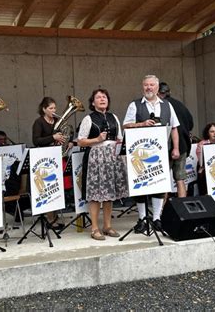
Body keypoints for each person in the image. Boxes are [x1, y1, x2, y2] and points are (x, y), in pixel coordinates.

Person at [123, 75, 180, 233]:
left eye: (152, 85)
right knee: (141, 185)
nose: (148, 88)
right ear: (143, 87)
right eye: (146, 85)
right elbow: (126, 126)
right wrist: (142, 124)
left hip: (162, 153)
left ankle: (156, 218)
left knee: (159, 184)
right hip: (140, 154)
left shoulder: (167, 105)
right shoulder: (135, 105)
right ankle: (142, 219)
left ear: (157, 87)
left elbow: (174, 127)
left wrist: (175, 148)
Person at [78, 89, 128, 240]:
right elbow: (80, 141)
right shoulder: (88, 119)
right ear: (93, 103)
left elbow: (119, 138)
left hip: (112, 157)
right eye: (98, 97)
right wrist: (97, 139)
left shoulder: (114, 117)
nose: (102, 99)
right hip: (96, 158)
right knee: (95, 194)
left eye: (104, 97)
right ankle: (94, 228)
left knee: (109, 194)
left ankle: (107, 226)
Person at [32, 97, 67, 229]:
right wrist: (53, 137)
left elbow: (64, 134)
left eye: (54, 108)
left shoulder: (57, 121)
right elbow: (36, 141)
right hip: (43, 159)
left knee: (55, 187)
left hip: (55, 157)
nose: (54, 110)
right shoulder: (39, 122)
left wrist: (65, 140)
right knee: (47, 188)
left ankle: (55, 215)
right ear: (44, 109)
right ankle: (49, 218)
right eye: (51, 108)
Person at [158, 82, 194, 197]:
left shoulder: (161, 106)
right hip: (182, 146)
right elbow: (190, 124)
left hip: (165, 147)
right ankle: (182, 208)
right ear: (170, 92)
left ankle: (162, 211)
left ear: (158, 93)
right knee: (180, 179)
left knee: (162, 180)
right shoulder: (180, 105)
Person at [196, 123, 215, 196]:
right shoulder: (202, 143)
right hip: (208, 168)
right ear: (208, 133)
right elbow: (200, 159)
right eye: (212, 132)